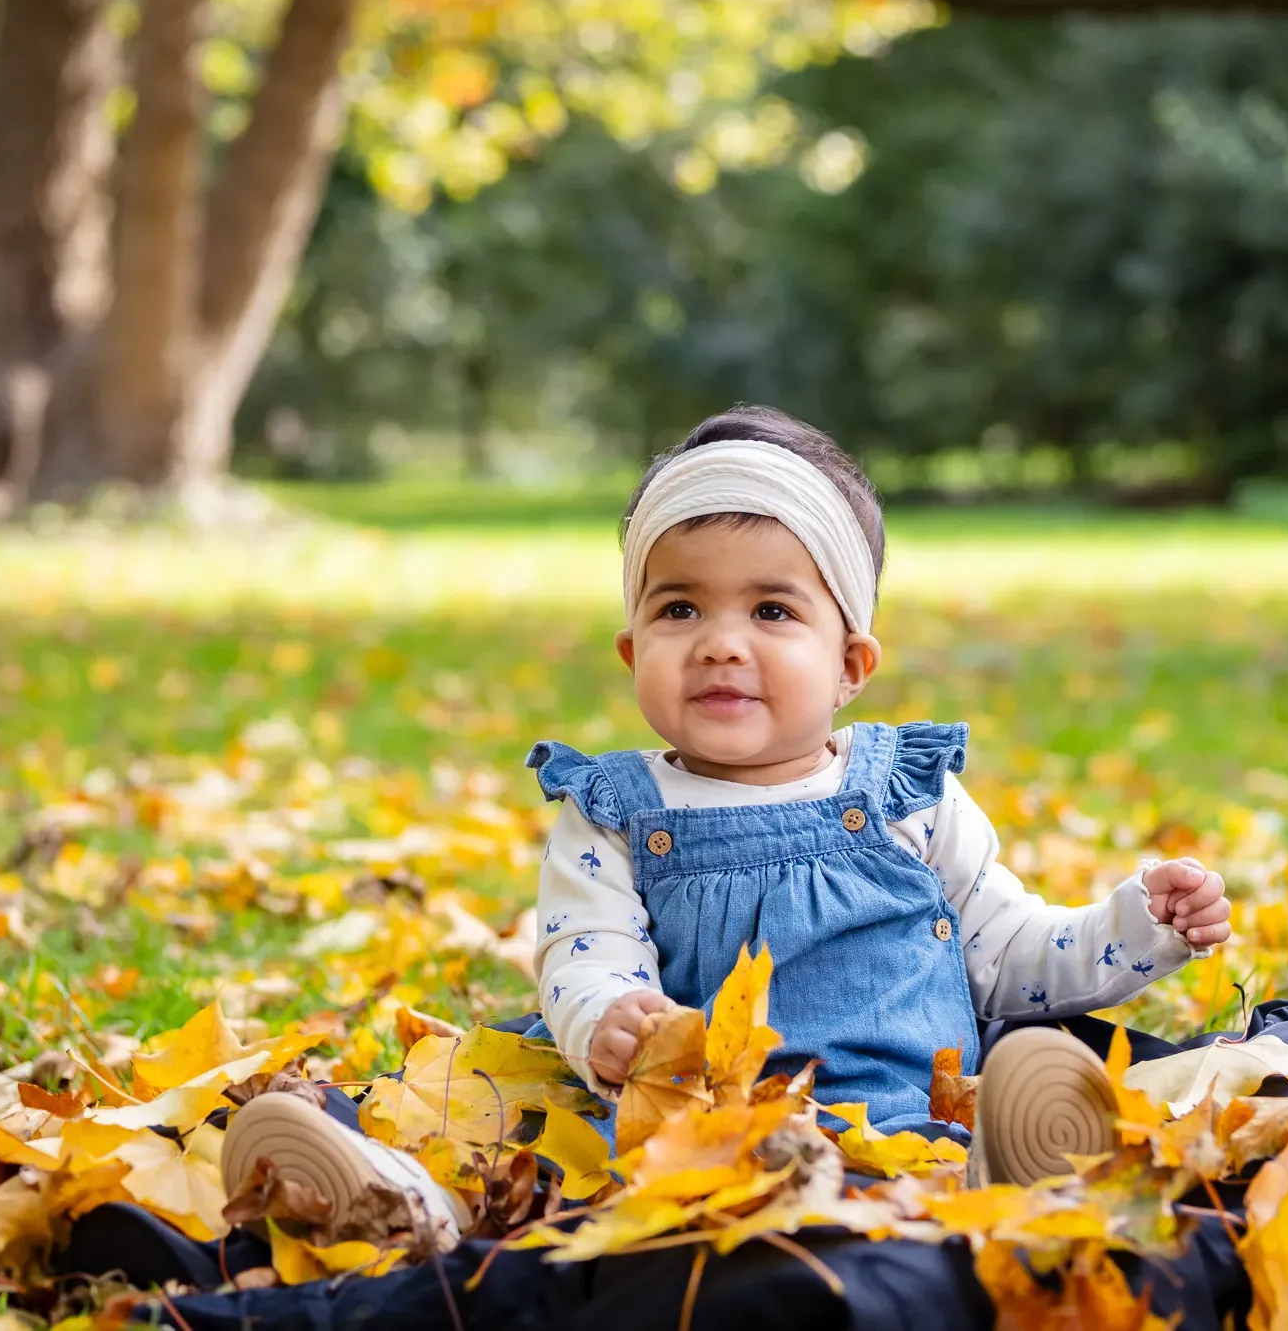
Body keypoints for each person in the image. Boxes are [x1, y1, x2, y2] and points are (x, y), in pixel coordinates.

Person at [221, 404, 1233, 1233]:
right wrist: (601, 1020)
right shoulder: (614, 811)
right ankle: (410, 1210)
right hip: (684, 1140)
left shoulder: (909, 794)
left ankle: (1009, 1174)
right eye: (677, 610)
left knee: (991, 1104)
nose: (717, 643)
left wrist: (1132, 927)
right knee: (528, 1141)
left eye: (771, 611)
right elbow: (583, 956)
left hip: (901, 1119)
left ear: (850, 665)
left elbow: (1008, 955)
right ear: (631, 654)